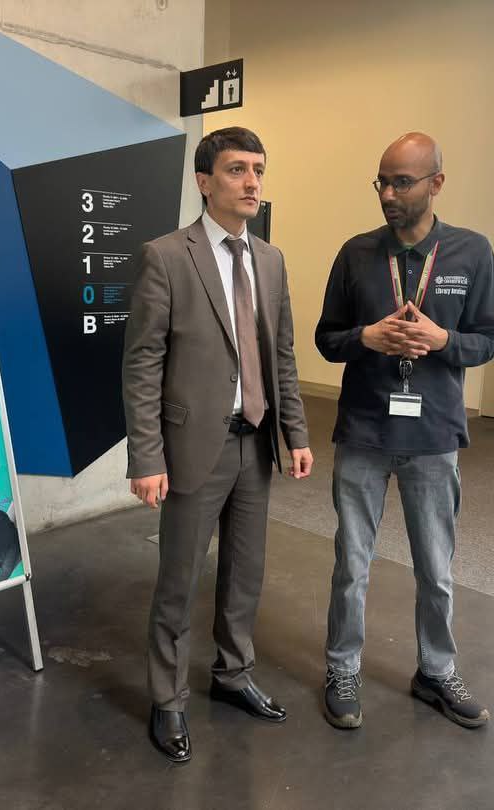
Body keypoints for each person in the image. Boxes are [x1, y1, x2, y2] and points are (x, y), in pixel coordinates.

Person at [123, 126, 313, 763]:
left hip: (255, 442)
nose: (252, 182)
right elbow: (142, 364)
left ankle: (233, 673)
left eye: (258, 169)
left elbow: (281, 355)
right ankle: (168, 698)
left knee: (245, 572)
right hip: (191, 448)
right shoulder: (166, 257)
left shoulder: (271, 260)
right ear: (204, 182)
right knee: (179, 579)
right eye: (237, 169)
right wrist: (146, 455)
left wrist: (295, 433)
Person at [315, 132, 494, 731]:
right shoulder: (355, 254)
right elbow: (326, 338)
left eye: (402, 182)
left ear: (436, 183)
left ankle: (436, 671)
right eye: (382, 182)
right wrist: (365, 337)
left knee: (436, 569)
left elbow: (490, 339)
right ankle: (342, 668)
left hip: (433, 436)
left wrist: (443, 340)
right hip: (364, 432)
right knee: (352, 564)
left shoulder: (471, 253)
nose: (388, 195)